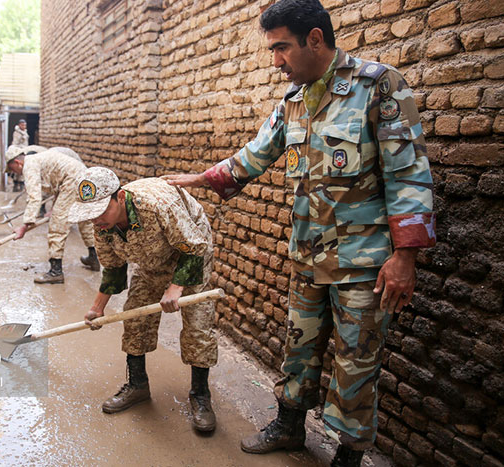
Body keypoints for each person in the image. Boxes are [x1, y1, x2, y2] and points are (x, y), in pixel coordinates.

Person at [163, 0, 435, 465]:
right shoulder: (292, 103)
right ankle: (289, 426)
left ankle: (348, 454)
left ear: (314, 39)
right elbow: (253, 156)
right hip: (308, 257)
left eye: (281, 48)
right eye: (271, 50)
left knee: (356, 363)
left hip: (364, 266)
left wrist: (405, 256)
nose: (275, 62)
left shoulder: (377, 86)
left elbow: (408, 174)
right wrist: (201, 179)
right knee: (299, 346)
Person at [69, 167, 218, 433]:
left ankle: (200, 395)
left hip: (191, 251)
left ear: (120, 197)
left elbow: (194, 247)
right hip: (152, 258)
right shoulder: (102, 226)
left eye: (102, 211)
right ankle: (137, 385)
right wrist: (96, 309)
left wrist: (175, 287)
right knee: (135, 314)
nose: (97, 221)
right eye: (90, 215)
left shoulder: (157, 205)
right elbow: (114, 269)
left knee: (197, 326)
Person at [5, 145, 100, 283]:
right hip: (84, 178)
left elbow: (34, 198)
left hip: (72, 181)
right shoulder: (37, 159)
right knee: (83, 219)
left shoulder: (29, 165)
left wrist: (24, 227)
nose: (15, 173)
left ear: (17, 163)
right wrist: (54, 208)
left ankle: (56, 272)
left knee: (57, 225)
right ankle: (94, 257)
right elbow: (57, 185)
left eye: (12, 169)